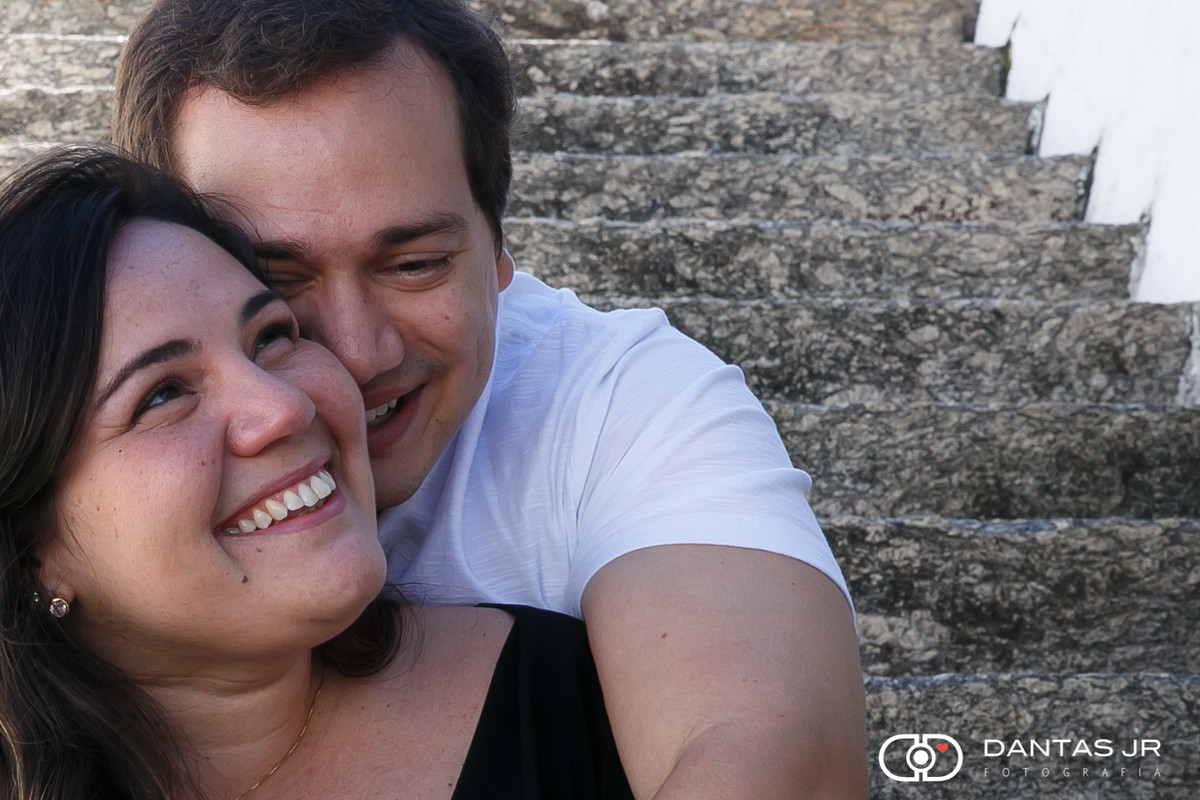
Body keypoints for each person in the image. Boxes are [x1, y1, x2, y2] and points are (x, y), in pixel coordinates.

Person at [111, 1, 869, 796]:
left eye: (414, 265)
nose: (357, 352)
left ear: (498, 251)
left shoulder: (621, 400)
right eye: (276, 280)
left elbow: (769, 750)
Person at [0, 145, 634, 800]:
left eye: (272, 337)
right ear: (30, 553)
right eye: (162, 394)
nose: (284, 405)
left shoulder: (591, 709)